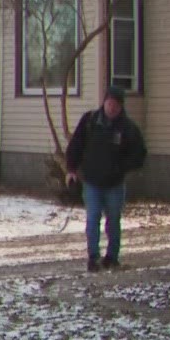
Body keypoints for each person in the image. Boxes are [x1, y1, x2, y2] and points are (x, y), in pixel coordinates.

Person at [66, 86, 148, 272]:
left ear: (121, 107)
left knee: (113, 220)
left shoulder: (127, 128)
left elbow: (140, 154)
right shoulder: (90, 121)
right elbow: (76, 145)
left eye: (116, 105)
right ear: (104, 102)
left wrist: (122, 167)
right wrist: (71, 169)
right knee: (93, 217)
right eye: (109, 103)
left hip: (114, 184)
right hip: (92, 181)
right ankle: (93, 257)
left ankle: (112, 257)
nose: (112, 108)